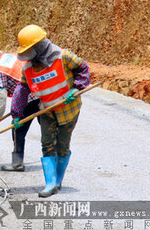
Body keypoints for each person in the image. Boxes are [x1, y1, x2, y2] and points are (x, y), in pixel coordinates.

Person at [10, 24, 90, 197]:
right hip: (46, 110)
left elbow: (83, 69)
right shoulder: (28, 69)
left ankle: (59, 178)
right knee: (46, 144)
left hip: (68, 109)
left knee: (62, 145)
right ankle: (50, 183)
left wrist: (76, 88)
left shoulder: (64, 57)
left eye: (29, 49)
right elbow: (22, 90)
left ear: (39, 46)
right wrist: (16, 113)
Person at [0, 38, 40, 172]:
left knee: (17, 130)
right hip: (42, 93)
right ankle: (55, 159)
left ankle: (17, 164)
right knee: (47, 128)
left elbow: (1, 98)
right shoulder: (9, 56)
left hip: (29, 98)